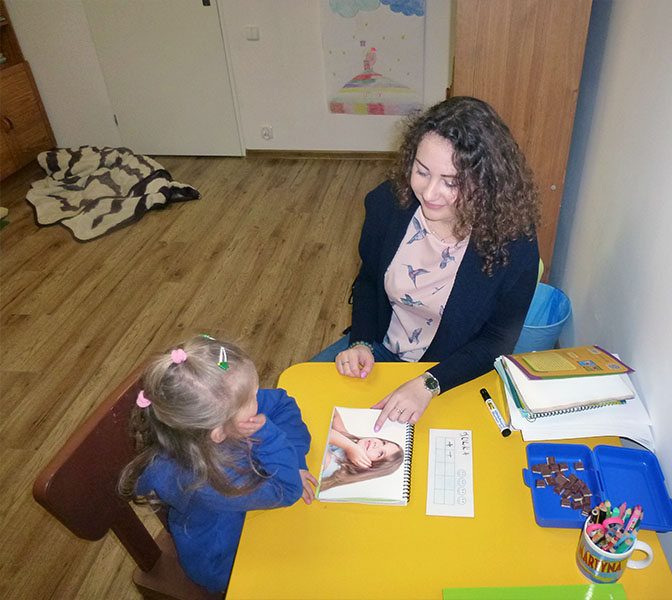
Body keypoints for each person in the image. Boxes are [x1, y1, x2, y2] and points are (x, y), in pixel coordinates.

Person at [314, 96, 540, 430]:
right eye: (421, 171)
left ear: (487, 181)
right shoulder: (387, 204)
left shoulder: (515, 245)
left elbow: (496, 340)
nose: (430, 193)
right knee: (306, 412)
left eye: (451, 182)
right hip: (380, 348)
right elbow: (368, 281)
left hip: (450, 369)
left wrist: (429, 383)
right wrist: (361, 341)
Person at [118, 335, 317, 594]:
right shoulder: (206, 483)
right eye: (252, 398)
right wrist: (268, 435)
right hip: (226, 561)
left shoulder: (219, 408)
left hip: (253, 517)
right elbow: (288, 491)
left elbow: (282, 404)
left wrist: (296, 460)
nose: (259, 398)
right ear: (219, 434)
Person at [318, 408, 404, 492]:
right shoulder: (347, 443)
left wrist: (350, 447)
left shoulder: (331, 465)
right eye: (383, 443)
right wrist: (350, 445)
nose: (376, 444)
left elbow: (321, 433)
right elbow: (333, 412)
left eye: (380, 454)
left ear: (369, 467)